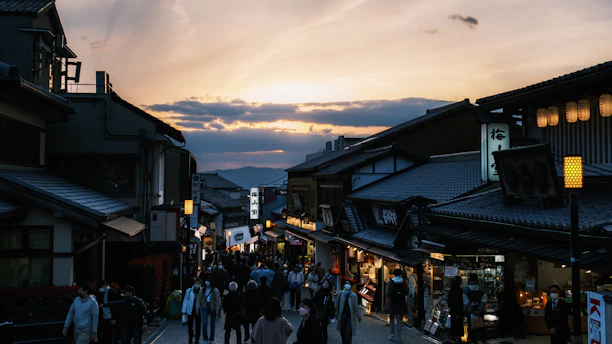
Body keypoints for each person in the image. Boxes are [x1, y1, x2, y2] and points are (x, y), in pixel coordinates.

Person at [463, 274, 487, 344]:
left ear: (469, 279)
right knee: (481, 325)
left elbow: (466, 302)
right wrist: (479, 310)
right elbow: (484, 301)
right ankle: (483, 340)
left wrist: (472, 311)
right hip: (480, 311)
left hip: (470, 312)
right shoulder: (482, 289)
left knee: (471, 327)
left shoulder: (466, 289)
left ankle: (473, 341)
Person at [196, 278, 222, 344]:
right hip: (205, 306)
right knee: (204, 323)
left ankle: (211, 339)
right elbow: (198, 299)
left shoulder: (215, 290)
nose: (206, 282)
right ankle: (205, 338)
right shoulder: (203, 290)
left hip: (212, 307)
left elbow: (218, 300)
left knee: (212, 325)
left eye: (208, 281)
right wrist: (197, 308)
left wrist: (217, 309)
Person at [386, 269, 408, 343]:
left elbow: (387, 292)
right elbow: (407, 292)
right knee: (399, 320)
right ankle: (399, 337)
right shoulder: (403, 282)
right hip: (401, 303)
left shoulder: (390, 282)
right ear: (400, 274)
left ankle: (392, 335)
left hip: (392, 302)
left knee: (392, 319)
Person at [313, 278, 335, 344]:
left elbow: (331, 305)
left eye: (327, 283)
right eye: (324, 283)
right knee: (318, 327)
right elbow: (314, 301)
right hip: (318, 312)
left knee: (324, 328)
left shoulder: (330, 295)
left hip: (326, 313)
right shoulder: (318, 292)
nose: (325, 284)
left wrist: (332, 316)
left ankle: (324, 341)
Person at [182, 279, 202, 344]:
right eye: (196, 283)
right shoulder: (189, 290)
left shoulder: (202, 291)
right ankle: (190, 337)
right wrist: (184, 311)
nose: (197, 284)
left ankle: (197, 339)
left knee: (198, 324)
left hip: (198, 309)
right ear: (194, 283)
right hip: (190, 309)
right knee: (190, 324)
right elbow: (185, 300)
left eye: (199, 283)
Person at [448, 276, 465, 343]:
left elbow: (450, 302)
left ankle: (455, 338)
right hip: (459, 311)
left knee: (454, 325)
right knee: (458, 325)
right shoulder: (460, 290)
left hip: (453, 311)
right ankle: (458, 339)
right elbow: (460, 302)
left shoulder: (451, 290)